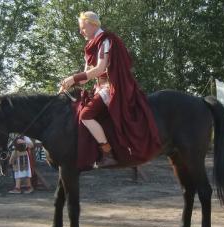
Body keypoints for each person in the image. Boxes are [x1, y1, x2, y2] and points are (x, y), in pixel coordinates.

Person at [59, 11, 161, 169]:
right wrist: (69, 83)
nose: (81, 31)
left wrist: (74, 78)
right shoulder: (91, 46)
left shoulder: (106, 40)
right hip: (99, 86)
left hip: (111, 86)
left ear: (93, 25)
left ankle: (108, 153)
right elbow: (87, 77)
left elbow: (100, 69)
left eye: (83, 28)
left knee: (85, 115)